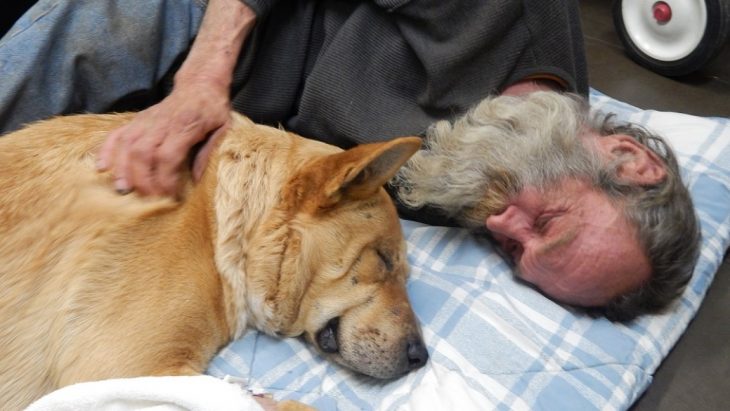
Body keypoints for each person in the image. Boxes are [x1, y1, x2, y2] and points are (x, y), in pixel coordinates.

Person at [0, 0, 698, 322]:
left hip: (244, 124)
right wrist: (201, 81)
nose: (504, 223)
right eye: (550, 221)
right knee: (109, 29)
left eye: (515, 252)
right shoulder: (503, 15)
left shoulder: (482, 192)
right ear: (628, 156)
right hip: (226, 27)